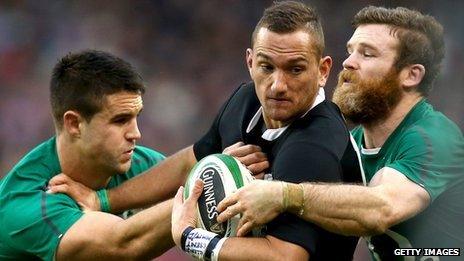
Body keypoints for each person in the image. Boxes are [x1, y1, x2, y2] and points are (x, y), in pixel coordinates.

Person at [48, 1, 363, 260]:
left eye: (295, 69)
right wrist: (103, 201)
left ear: (322, 71)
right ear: (250, 62)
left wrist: (192, 238)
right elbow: (192, 160)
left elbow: (285, 255)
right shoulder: (245, 100)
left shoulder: (315, 145)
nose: (278, 85)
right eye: (267, 67)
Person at [216, 6, 464, 260]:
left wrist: (284, 194)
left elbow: (381, 209)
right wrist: (237, 173)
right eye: (350, 51)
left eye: (367, 54)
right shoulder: (351, 144)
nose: (348, 62)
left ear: (411, 75)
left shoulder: (434, 138)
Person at [0, 50, 174, 260]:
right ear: (74, 124)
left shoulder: (137, 164)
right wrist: (204, 193)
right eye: (120, 120)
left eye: (136, 117)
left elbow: (191, 172)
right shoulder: (29, 202)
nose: (136, 134)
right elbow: (122, 245)